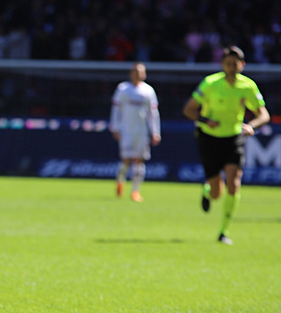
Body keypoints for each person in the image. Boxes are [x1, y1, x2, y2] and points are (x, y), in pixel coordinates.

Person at [182, 45, 270, 245]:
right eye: (228, 63)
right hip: (209, 138)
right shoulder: (210, 83)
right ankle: (208, 190)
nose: (232, 67)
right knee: (216, 193)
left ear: (242, 64)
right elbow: (188, 109)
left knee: (234, 182)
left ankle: (224, 231)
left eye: (235, 64)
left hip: (233, 138)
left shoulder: (248, 86)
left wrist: (251, 126)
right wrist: (205, 120)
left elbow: (263, 115)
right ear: (222, 64)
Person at [109, 62, 161, 202]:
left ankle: (135, 191)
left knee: (139, 160)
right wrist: (114, 127)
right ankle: (120, 182)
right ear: (131, 73)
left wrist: (155, 131)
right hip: (126, 130)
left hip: (141, 131)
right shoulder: (123, 89)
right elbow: (116, 110)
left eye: (141, 72)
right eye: (136, 72)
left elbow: (153, 113)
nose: (138, 74)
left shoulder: (148, 91)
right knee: (126, 160)